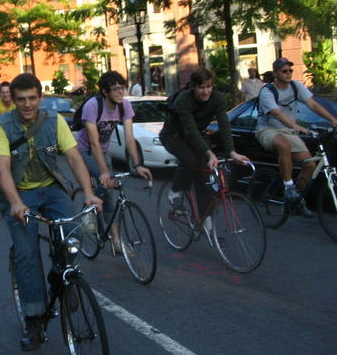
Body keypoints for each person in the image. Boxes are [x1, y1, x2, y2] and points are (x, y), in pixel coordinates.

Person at [0, 73, 102, 351]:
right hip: (20, 193)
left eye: (32, 98)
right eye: (21, 99)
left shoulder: (53, 120)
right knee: (27, 255)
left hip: (51, 188)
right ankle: (34, 320)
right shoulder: (1, 125)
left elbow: (73, 158)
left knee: (73, 236)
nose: (27, 104)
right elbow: (2, 168)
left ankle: (62, 276)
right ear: (13, 100)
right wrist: (15, 202)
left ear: (40, 98)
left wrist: (88, 192)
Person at [159, 68, 249, 234]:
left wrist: (231, 152)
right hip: (173, 135)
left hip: (195, 136)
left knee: (204, 175)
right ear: (193, 87)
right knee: (190, 161)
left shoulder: (217, 99)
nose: (205, 91)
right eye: (201, 87)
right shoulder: (184, 100)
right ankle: (175, 191)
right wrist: (209, 153)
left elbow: (224, 125)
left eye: (209, 86)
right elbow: (190, 130)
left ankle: (204, 216)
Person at [74, 71, 152, 248]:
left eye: (122, 88)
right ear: (104, 91)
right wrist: (104, 172)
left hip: (104, 152)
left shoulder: (125, 106)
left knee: (110, 195)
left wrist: (137, 164)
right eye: (115, 89)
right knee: (106, 183)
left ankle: (116, 240)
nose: (120, 92)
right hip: (84, 152)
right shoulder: (93, 106)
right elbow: (93, 142)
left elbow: (130, 138)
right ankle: (88, 211)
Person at [255, 58, 337, 209]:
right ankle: (288, 187)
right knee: (284, 146)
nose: (288, 73)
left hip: (288, 130)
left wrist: (333, 119)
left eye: (290, 70)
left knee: (309, 164)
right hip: (267, 129)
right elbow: (277, 113)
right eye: (284, 71)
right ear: (275, 73)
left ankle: (296, 201)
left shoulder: (296, 86)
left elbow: (312, 104)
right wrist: (296, 126)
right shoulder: (267, 91)